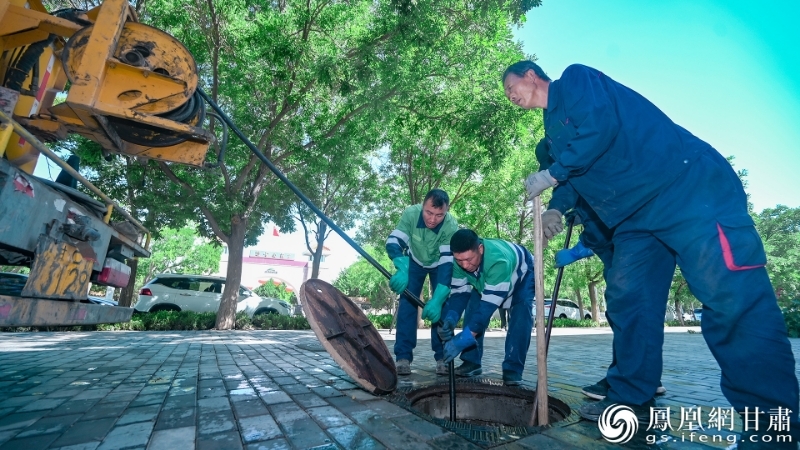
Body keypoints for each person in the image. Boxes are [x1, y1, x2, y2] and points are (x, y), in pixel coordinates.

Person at [503, 60, 799, 447]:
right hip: (634, 216)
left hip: (686, 188)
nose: (511, 98)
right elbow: (574, 173)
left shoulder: (575, 81)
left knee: (732, 302)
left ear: (530, 75)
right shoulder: (551, 135)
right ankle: (630, 396)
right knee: (630, 300)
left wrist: (552, 175)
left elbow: (599, 128)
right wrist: (557, 206)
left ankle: (772, 427)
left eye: (511, 88)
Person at [536, 138, 669, 401]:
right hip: (625, 248)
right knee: (636, 311)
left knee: (630, 310)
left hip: (640, 240)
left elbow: (604, 223)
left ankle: (630, 387)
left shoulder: (590, 164)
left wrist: (577, 249)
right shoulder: (584, 166)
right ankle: (643, 376)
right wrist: (577, 213)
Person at [439, 229, 534, 386]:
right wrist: (451, 317)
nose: (464, 265)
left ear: (480, 249)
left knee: (520, 316)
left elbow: (487, 308)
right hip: (485, 279)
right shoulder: (458, 263)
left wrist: (463, 339)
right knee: (473, 308)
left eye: (468, 259)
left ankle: (513, 369)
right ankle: (472, 362)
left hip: (523, 272)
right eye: (459, 260)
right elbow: (460, 294)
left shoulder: (498, 262)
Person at [386, 189, 459, 376]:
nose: (433, 219)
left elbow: (446, 263)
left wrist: (438, 297)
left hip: (438, 265)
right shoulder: (411, 213)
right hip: (414, 262)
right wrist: (401, 265)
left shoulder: (450, 225)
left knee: (441, 307)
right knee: (407, 305)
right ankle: (403, 357)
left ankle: (443, 357)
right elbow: (394, 241)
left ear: (446, 212)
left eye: (439, 215)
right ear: (423, 205)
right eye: (428, 212)